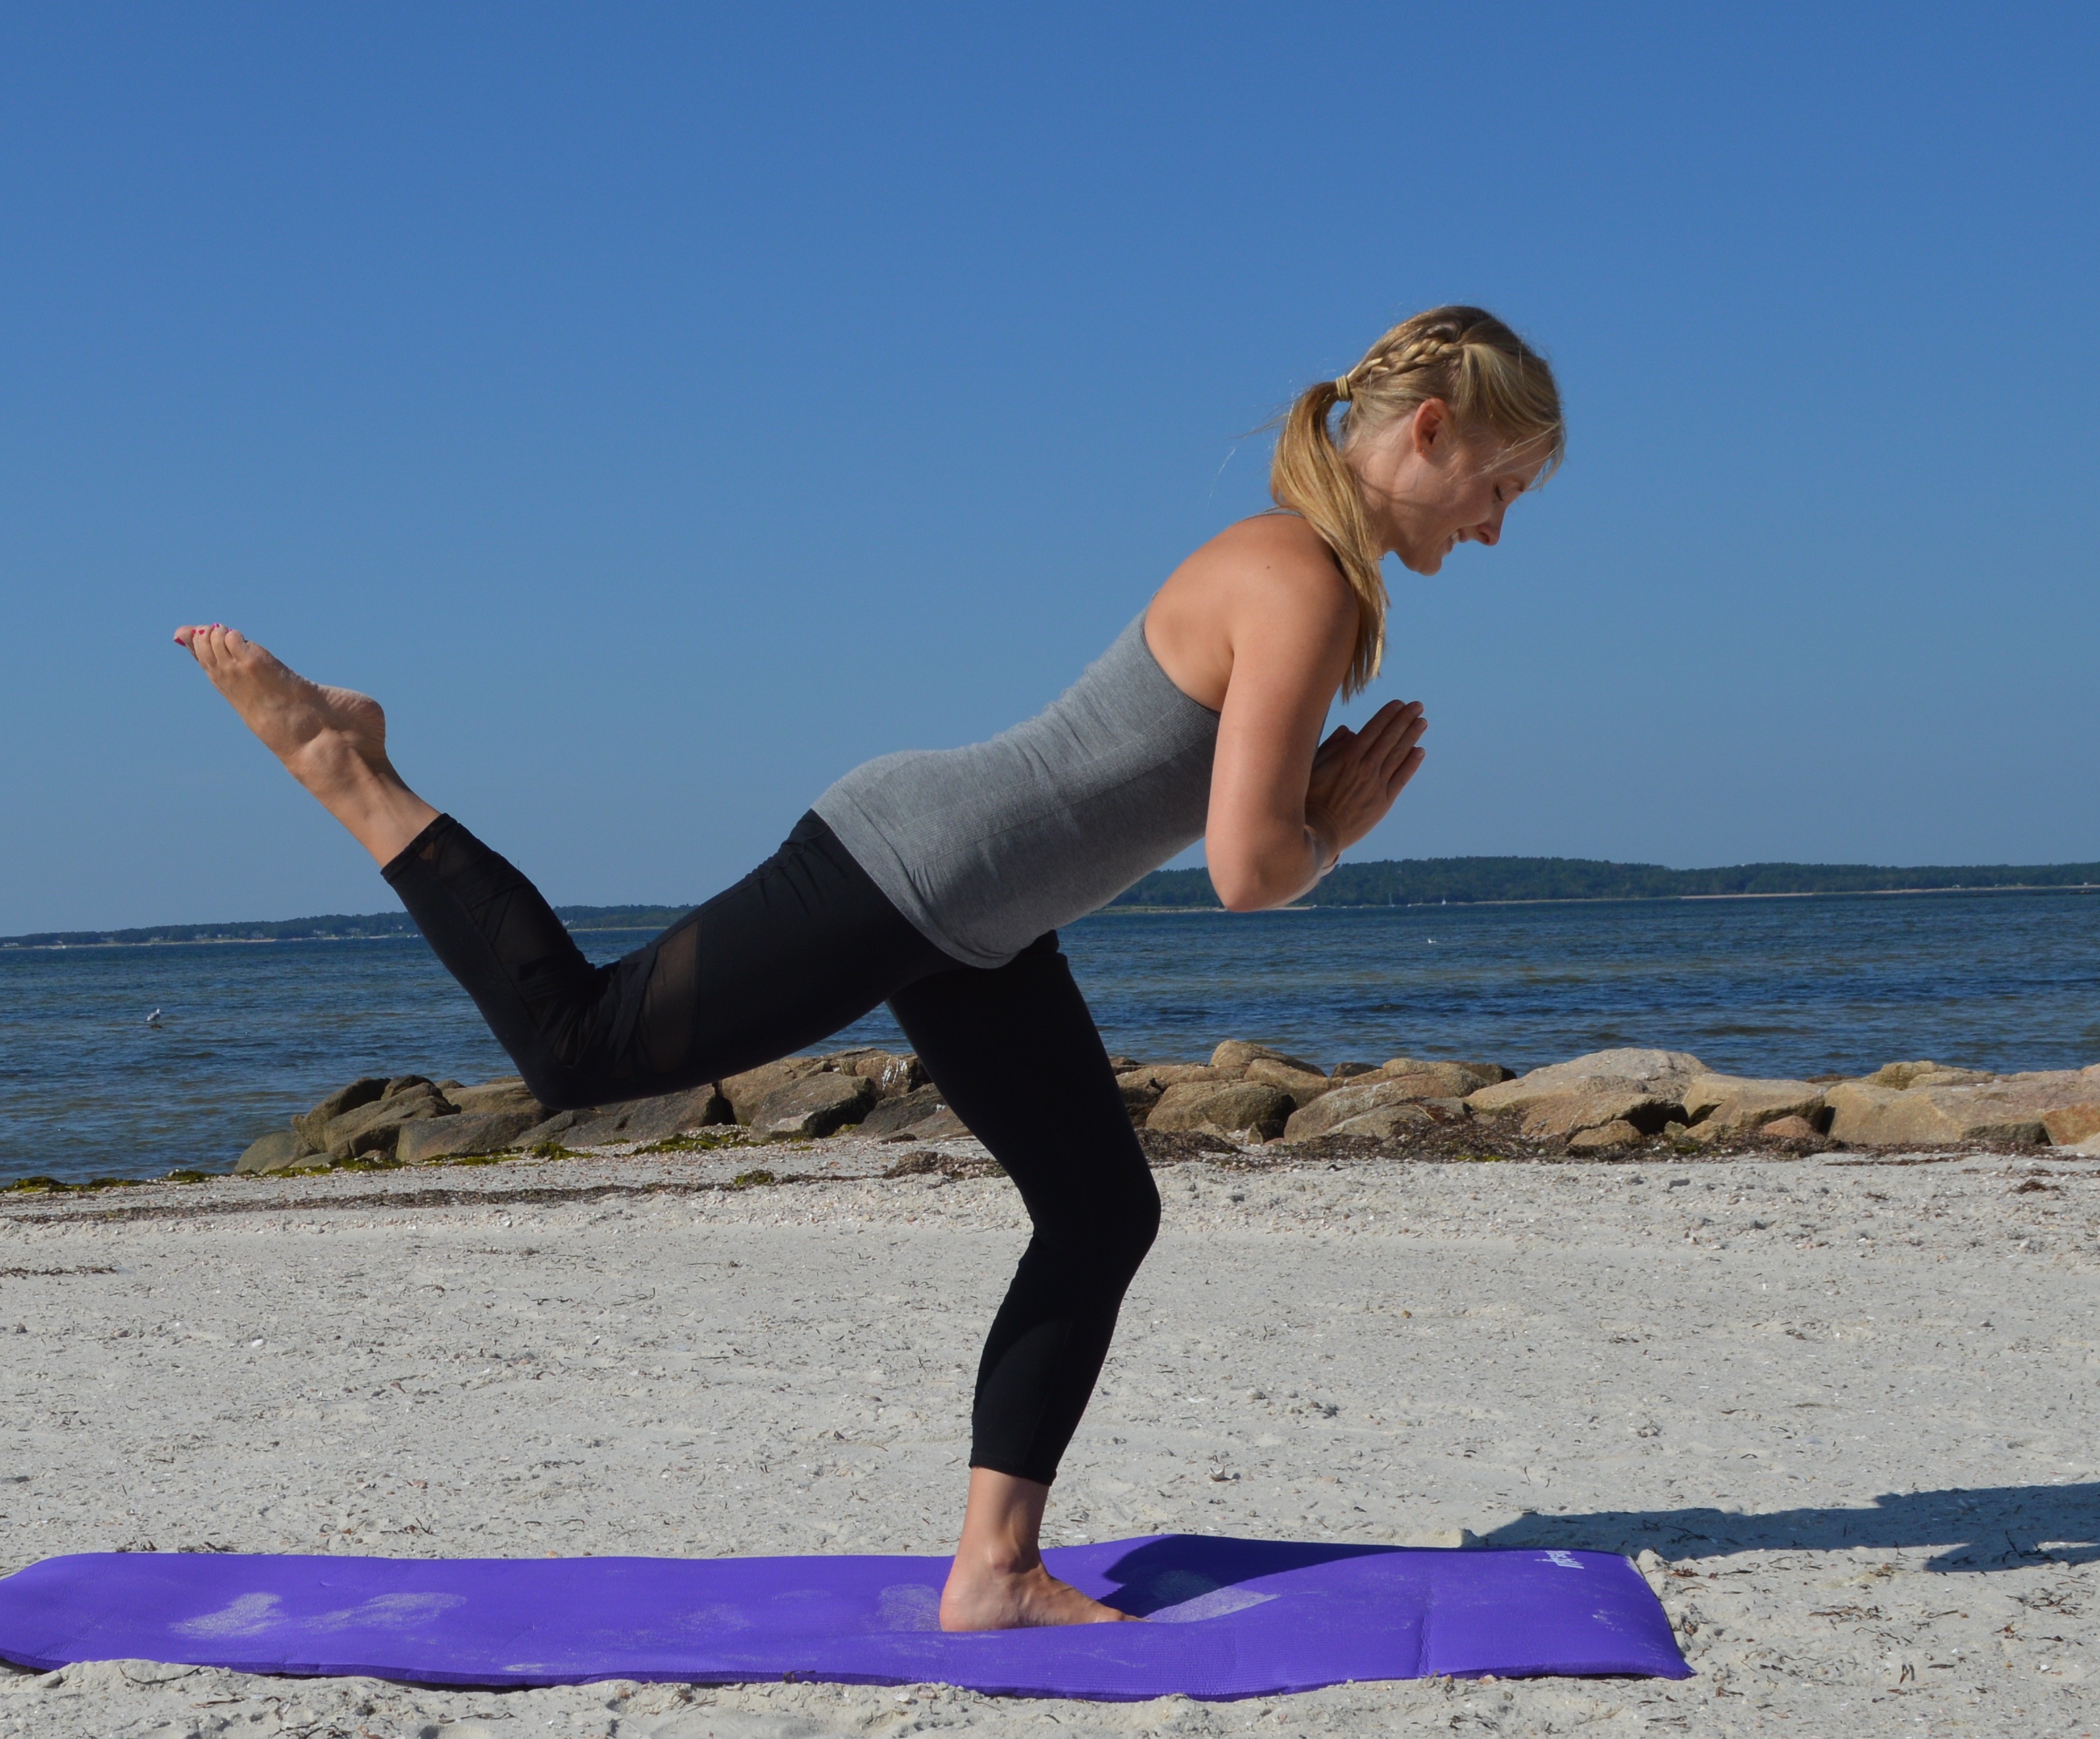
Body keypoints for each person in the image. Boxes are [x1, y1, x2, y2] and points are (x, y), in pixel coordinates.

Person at [176, 306, 1562, 1630]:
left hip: (979, 917)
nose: (1497, 527)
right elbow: (1247, 867)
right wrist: (1334, 826)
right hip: (914, 865)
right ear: (1426, 433)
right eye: (1496, 485)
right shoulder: (1299, 580)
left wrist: (1308, 814)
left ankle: (994, 1570)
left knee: (1097, 1211)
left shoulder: (1292, 565)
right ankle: (344, 766)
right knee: (577, 1049)